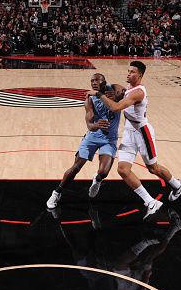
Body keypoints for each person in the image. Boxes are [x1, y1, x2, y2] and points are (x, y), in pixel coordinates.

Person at [87, 61, 181, 219]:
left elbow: (115, 107)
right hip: (129, 131)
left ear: (140, 75)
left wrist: (98, 94)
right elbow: (114, 90)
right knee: (122, 170)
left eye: (132, 72)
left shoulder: (138, 92)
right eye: (128, 71)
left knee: (153, 168)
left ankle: (177, 184)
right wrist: (104, 88)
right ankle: (150, 202)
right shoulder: (129, 89)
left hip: (142, 132)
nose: (128, 74)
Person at [46, 73, 125, 209]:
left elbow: (122, 90)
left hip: (109, 139)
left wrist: (116, 90)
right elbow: (89, 125)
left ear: (104, 82)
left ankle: (98, 179)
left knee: (103, 172)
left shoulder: (113, 90)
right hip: (92, 137)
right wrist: (97, 125)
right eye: (91, 81)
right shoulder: (89, 100)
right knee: (76, 167)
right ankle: (57, 192)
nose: (93, 83)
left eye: (97, 81)